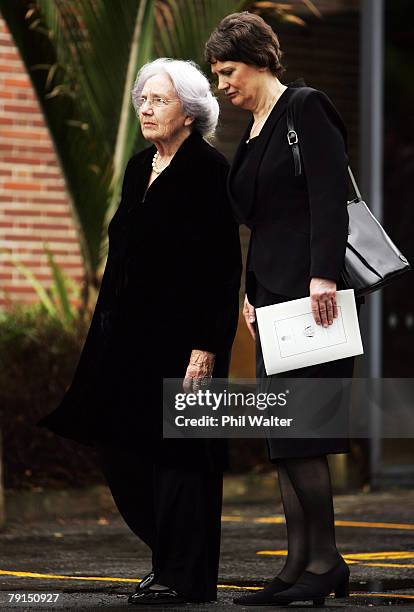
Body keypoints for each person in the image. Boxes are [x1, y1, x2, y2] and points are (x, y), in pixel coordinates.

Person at [38, 58, 241, 606]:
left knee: (180, 463)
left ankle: (183, 575)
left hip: (183, 343)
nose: (146, 109)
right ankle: (171, 559)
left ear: (190, 113)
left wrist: (205, 348)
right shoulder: (137, 166)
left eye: (159, 101)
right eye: (143, 100)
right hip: (127, 340)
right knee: (120, 448)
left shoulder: (208, 170)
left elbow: (222, 267)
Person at [205, 12, 363, 607]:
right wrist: (250, 291)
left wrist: (323, 274)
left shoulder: (305, 108)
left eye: (229, 70)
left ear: (260, 59)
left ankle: (325, 561)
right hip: (272, 298)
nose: (222, 83)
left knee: (306, 433)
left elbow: (329, 195)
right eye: (217, 74)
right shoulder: (251, 130)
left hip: (313, 296)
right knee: (285, 435)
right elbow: (262, 224)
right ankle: (299, 565)